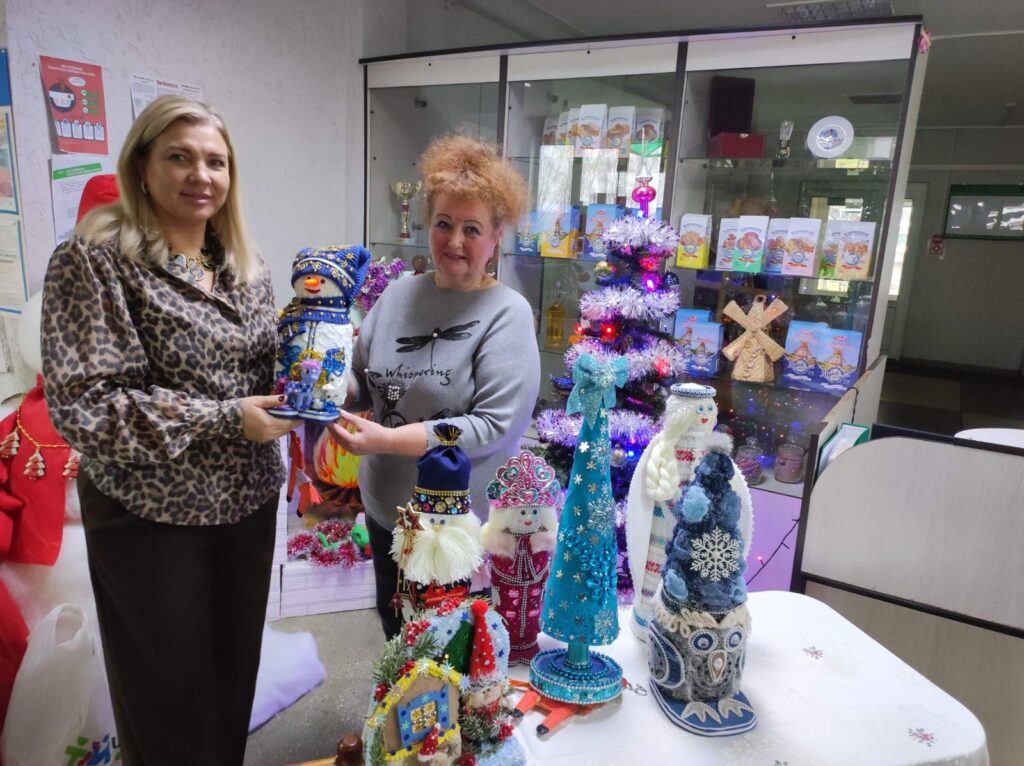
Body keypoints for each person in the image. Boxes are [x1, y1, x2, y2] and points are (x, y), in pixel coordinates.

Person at [40, 95, 298, 766]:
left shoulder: (242, 264)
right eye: (180, 157)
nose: (200, 175)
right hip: (153, 517)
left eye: (216, 161)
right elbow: (88, 407)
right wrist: (225, 418)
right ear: (141, 166)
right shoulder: (95, 259)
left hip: (246, 504)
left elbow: (263, 367)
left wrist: (321, 380)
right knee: (166, 700)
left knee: (232, 680)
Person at [329, 135, 540, 639]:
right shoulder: (399, 294)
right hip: (386, 509)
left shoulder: (507, 314)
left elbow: (492, 426)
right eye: (444, 223)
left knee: (450, 653)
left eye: (472, 229)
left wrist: (389, 440)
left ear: (496, 236)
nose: (455, 241)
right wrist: (329, 387)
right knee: (397, 637)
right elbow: (365, 379)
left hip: (455, 529)